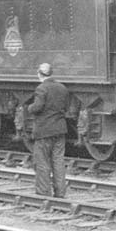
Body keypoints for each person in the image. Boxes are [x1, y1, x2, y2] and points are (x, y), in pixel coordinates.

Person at [29, 62, 68, 197]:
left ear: (39, 74)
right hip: (60, 130)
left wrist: (29, 108)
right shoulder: (62, 88)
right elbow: (66, 107)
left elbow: (38, 107)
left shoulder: (41, 88)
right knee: (58, 162)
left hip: (44, 131)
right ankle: (60, 192)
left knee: (42, 161)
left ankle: (43, 192)